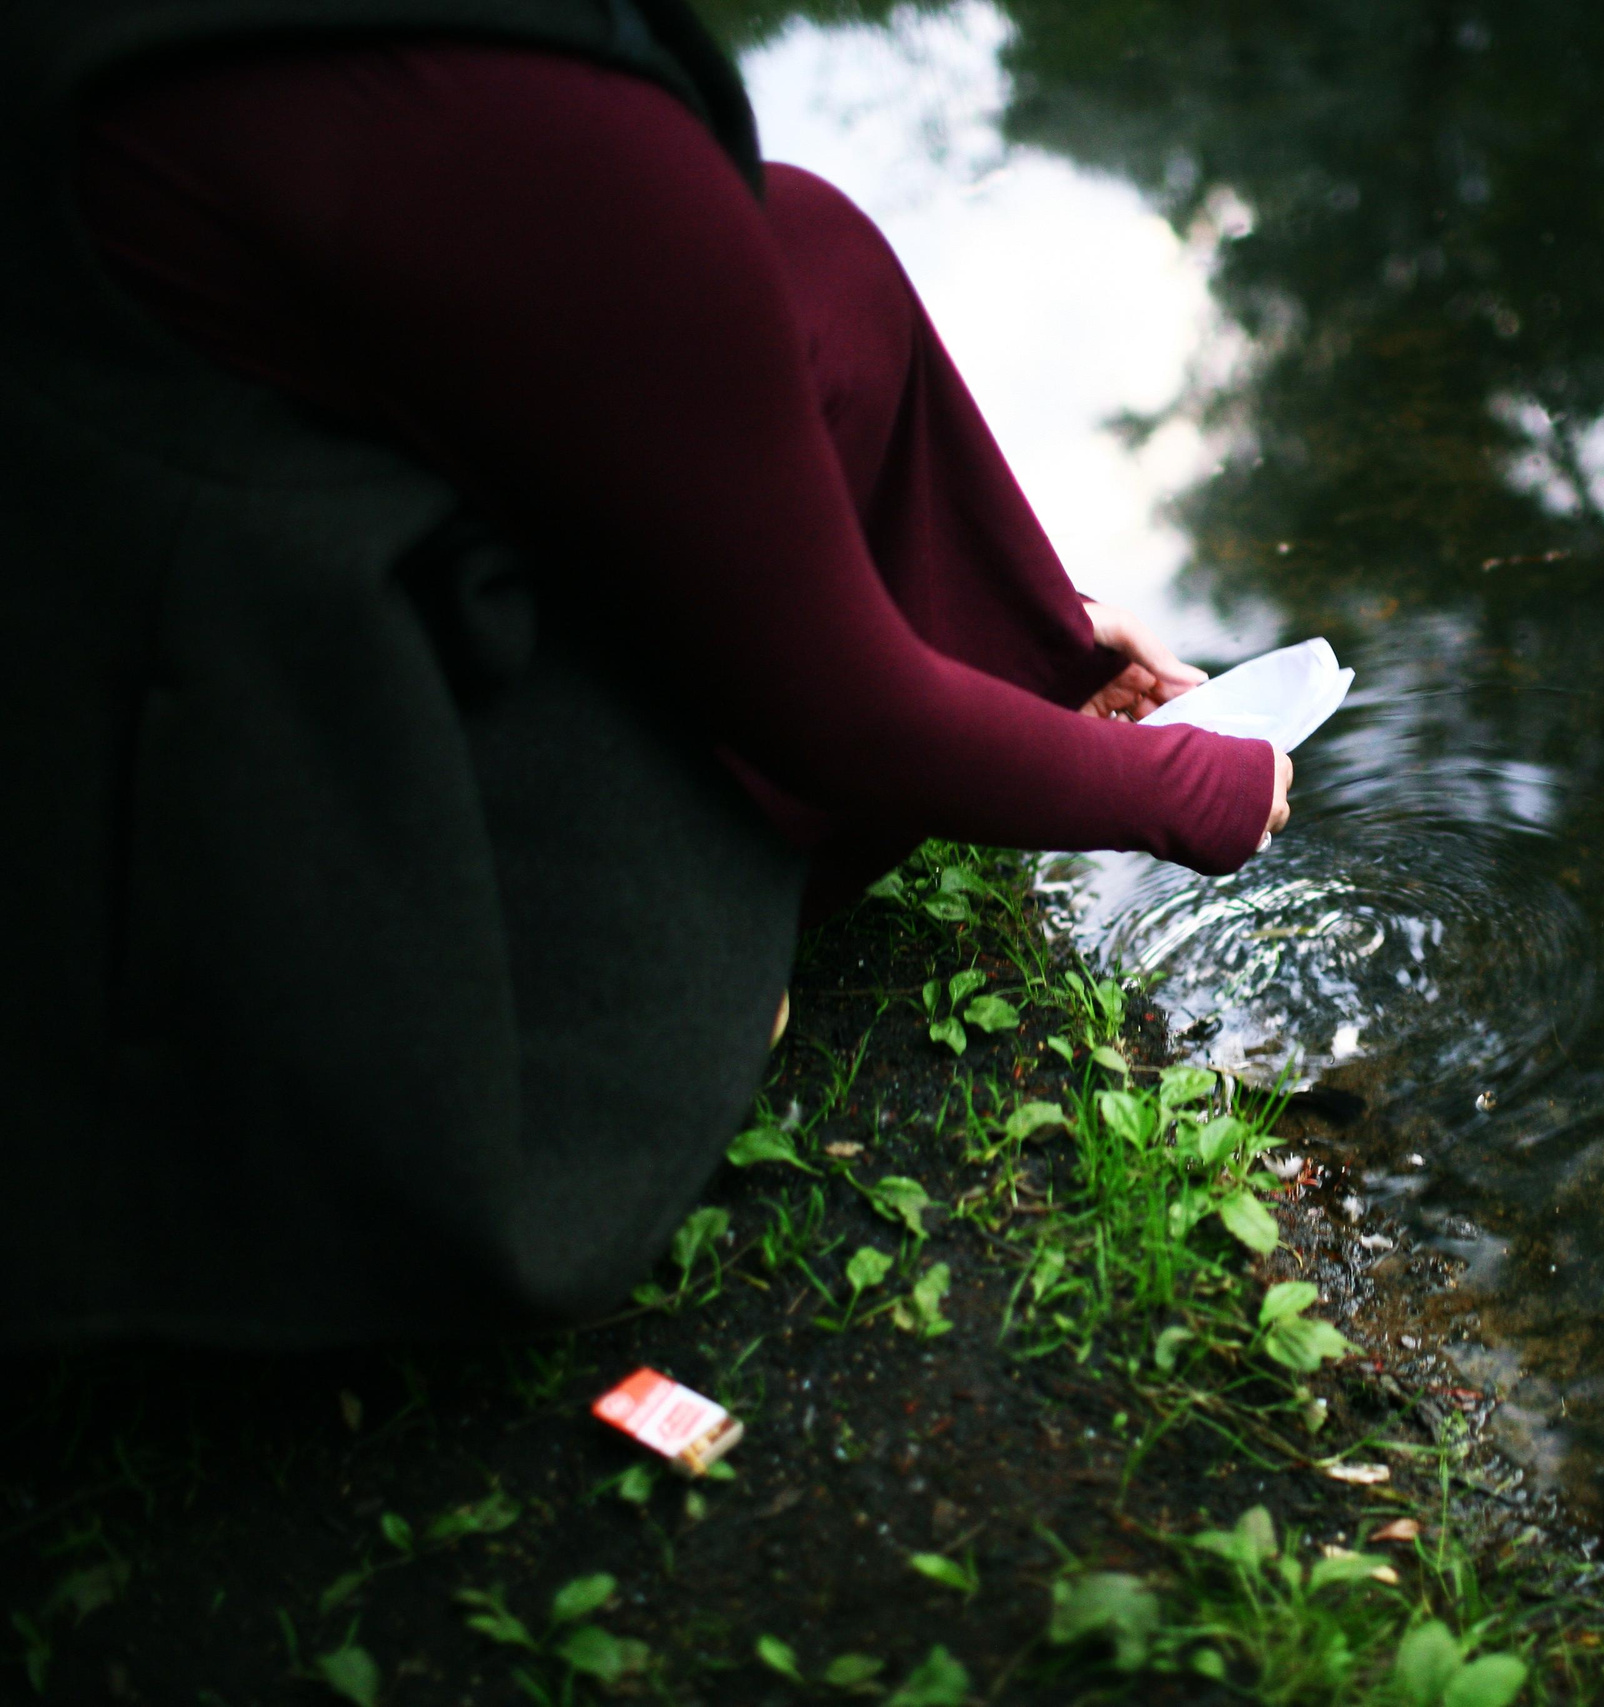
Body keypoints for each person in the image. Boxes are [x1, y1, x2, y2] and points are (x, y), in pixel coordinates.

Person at [0, 0, 1288, 1346]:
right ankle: (563, 998)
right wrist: (1181, 786)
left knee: (809, 252)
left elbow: (639, 373)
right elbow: (843, 711)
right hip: (209, 716)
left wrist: (1042, 620)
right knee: (708, 864)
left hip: (190, 496)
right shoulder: (542, 126)